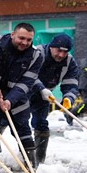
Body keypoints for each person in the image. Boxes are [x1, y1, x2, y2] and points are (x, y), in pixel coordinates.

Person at [0, 22, 43, 173]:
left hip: (18, 97)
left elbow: (27, 82)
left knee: (23, 129)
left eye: (29, 40)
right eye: (21, 38)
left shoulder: (36, 55)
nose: (25, 43)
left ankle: (32, 166)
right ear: (13, 34)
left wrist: (10, 99)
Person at [29, 33, 79, 164]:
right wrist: (40, 88)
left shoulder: (69, 61)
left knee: (41, 124)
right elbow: (29, 74)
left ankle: (38, 161)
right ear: (51, 47)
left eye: (65, 51)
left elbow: (71, 82)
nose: (62, 55)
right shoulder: (37, 53)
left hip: (45, 96)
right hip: (23, 91)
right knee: (14, 122)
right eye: (59, 50)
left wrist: (69, 97)